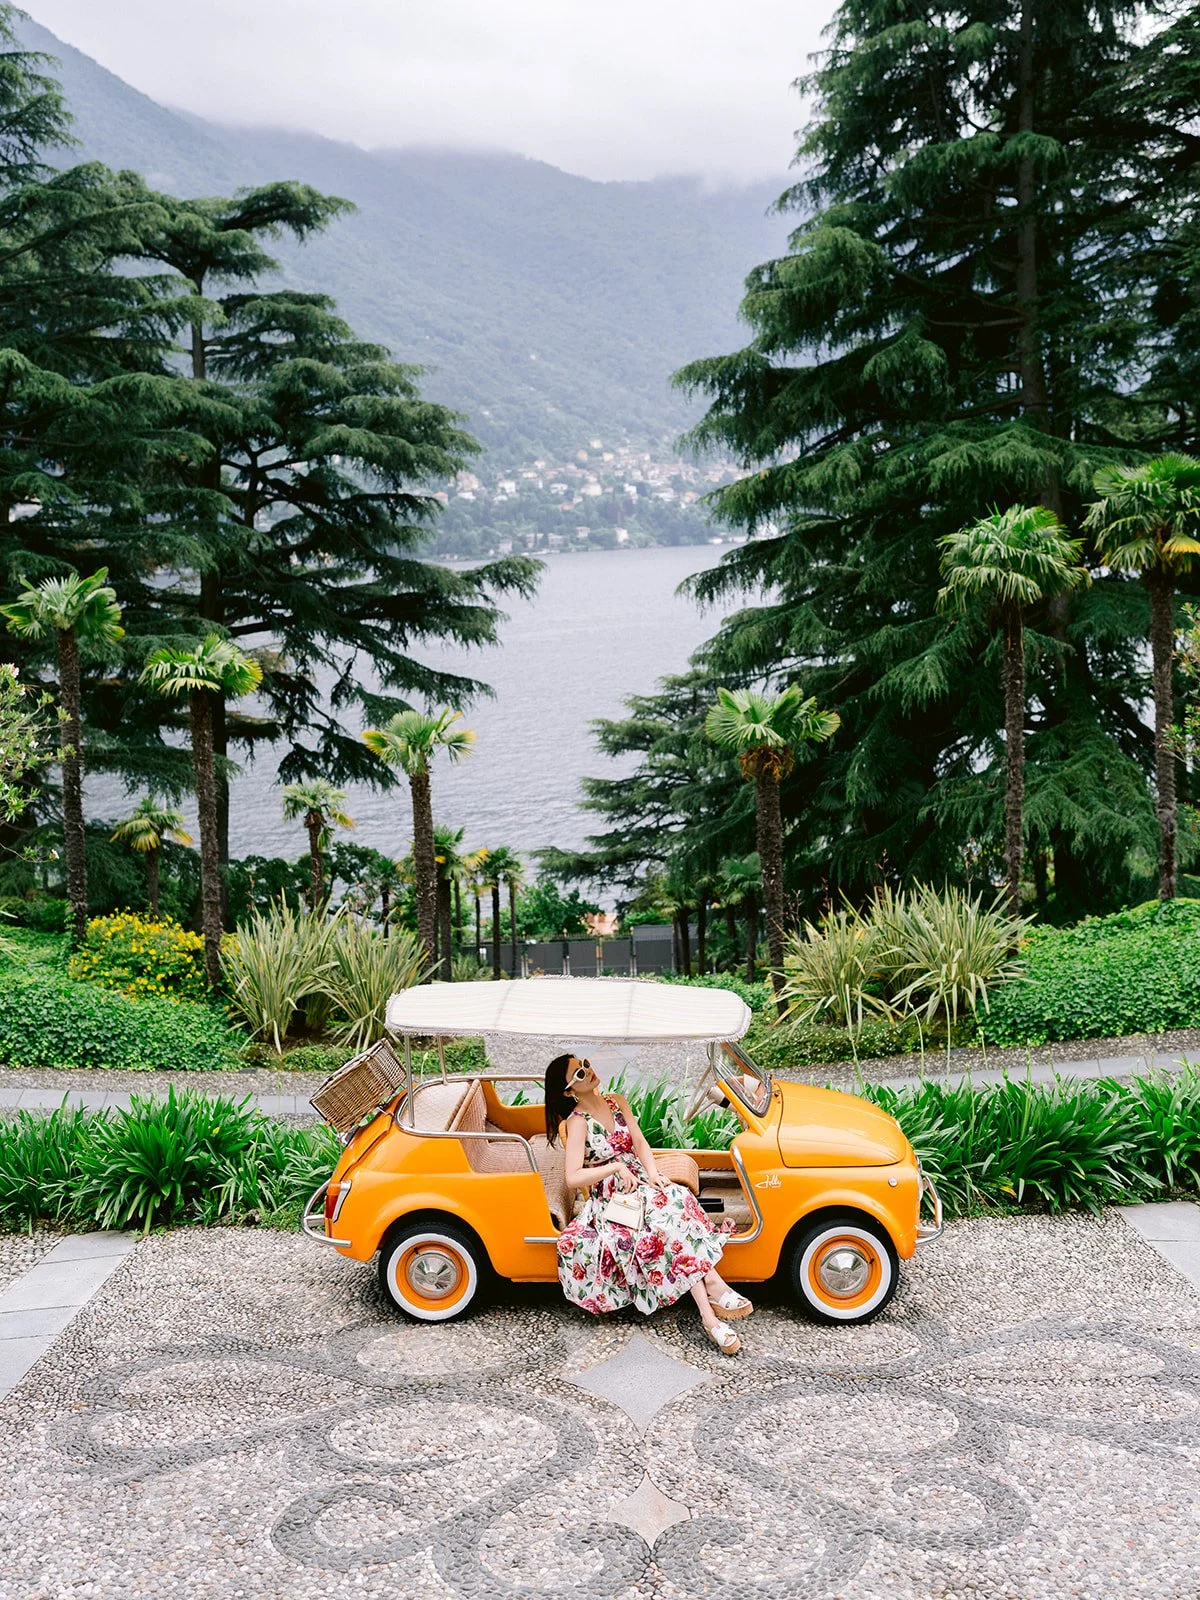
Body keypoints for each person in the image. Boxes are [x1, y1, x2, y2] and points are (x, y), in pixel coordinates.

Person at [544, 1052, 753, 1354]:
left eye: (585, 1065)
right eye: (578, 1074)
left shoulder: (616, 1101)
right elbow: (573, 1177)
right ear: (568, 1091)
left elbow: (639, 1142)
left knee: (677, 1200)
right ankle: (712, 1306)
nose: (587, 1072)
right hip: (611, 1197)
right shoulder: (578, 1122)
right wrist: (616, 1167)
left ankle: (712, 1306)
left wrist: (653, 1173)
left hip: (639, 1180)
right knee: (662, 1221)